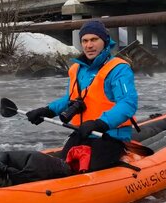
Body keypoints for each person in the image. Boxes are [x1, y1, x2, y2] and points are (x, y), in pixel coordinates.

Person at [26, 20, 138, 173]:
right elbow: (70, 99)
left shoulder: (119, 69)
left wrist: (100, 123)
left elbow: (127, 103)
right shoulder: (76, 69)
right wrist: (48, 111)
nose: (89, 45)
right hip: (84, 132)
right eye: (84, 41)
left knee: (87, 169)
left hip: (110, 135)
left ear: (104, 41)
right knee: (60, 168)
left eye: (94, 40)